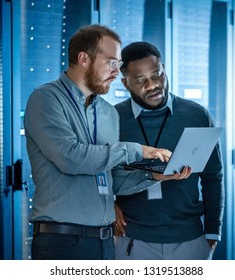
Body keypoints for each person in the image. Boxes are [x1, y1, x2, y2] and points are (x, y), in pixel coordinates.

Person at [24, 25, 190, 260]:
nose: (117, 72)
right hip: (62, 241)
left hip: (104, 242)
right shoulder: (46, 99)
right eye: (112, 62)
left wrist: (153, 176)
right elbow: (71, 158)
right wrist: (138, 150)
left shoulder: (107, 112)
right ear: (83, 58)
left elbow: (111, 180)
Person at [114, 42, 224, 260]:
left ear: (164, 68)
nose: (153, 85)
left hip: (190, 240)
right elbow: (100, 173)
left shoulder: (196, 115)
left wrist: (212, 233)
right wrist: (110, 204)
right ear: (126, 84)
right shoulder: (114, 119)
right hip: (133, 241)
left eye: (157, 75)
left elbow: (213, 177)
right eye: (141, 80)